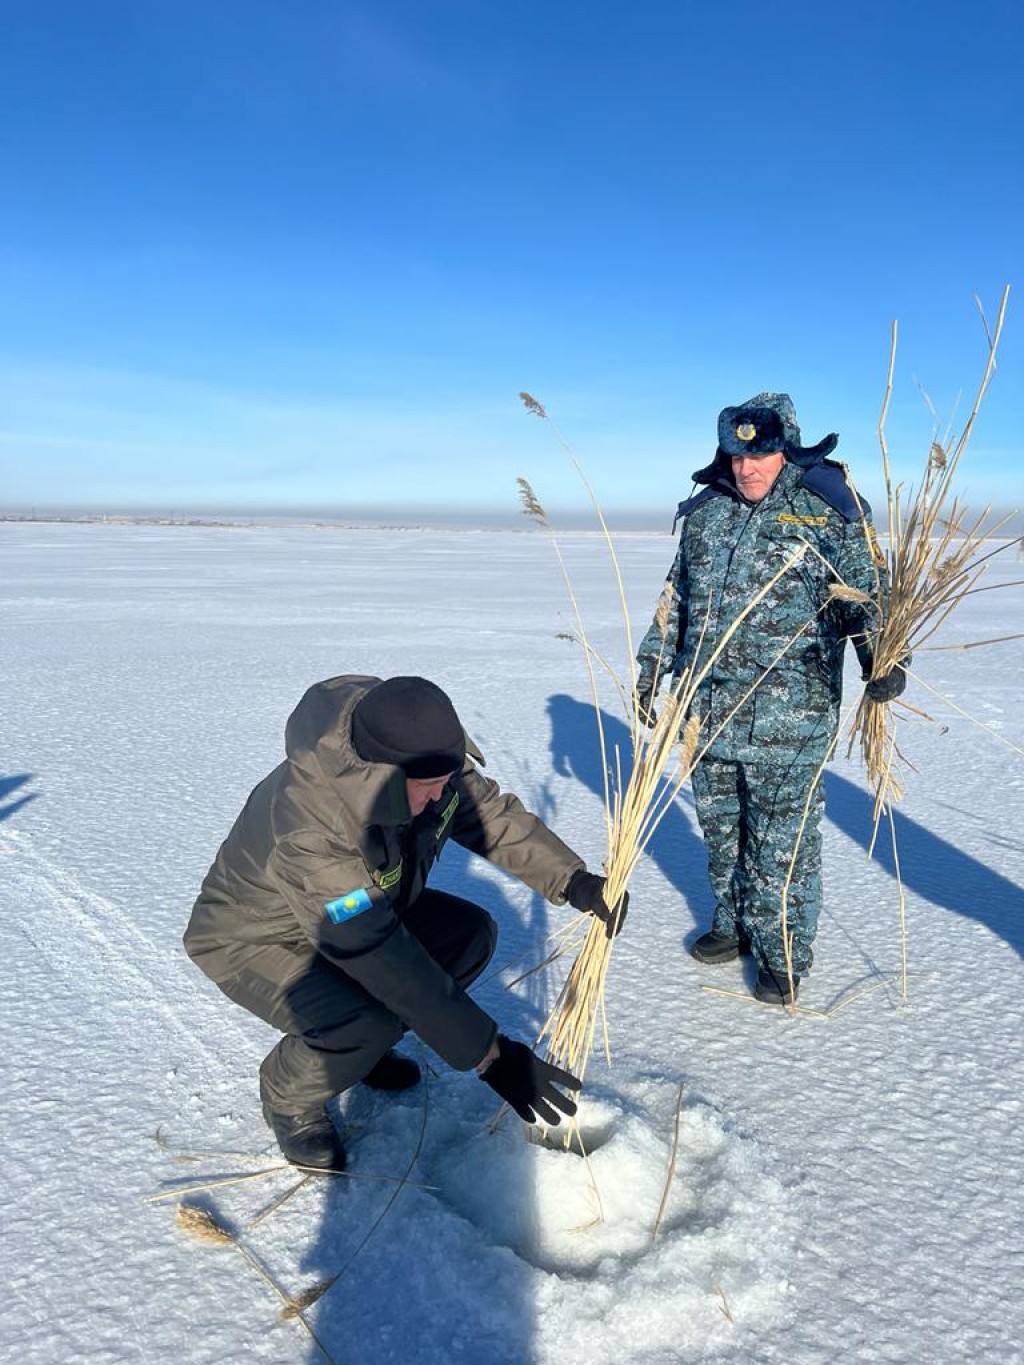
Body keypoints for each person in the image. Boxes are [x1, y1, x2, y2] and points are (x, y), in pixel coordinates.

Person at [184, 673, 626, 1170]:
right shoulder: (312, 829)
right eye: (427, 788)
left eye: (445, 782)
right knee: (362, 1017)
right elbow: (376, 953)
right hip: (254, 936)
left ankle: (364, 1052)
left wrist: (573, 881)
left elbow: (486, 812)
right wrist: (491, 1056)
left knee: (469, 937)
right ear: (381, 775)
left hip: (360, 916)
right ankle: (290, 1099)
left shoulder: (417, 751)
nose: (440, 798)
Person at [635, 392, 905, 1005]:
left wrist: (883, 660)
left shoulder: (826, 511)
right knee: (722, 832)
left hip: (793, 721)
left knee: (783, 846)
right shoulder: (707, 516)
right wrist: (651, 672)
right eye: (736, 457)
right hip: (709, 715)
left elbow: (866, 596)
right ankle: (732, 926)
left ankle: (784, 954)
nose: (746, 469)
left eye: (760, 456)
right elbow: (675, 602)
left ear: (784, 450)